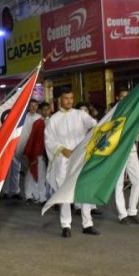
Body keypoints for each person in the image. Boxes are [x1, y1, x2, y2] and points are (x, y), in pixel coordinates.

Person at [44, 88, 98, 237]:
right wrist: (61, 149)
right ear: (60, 99)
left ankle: (87, 224)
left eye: (71, 98)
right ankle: (66, 225)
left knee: (85, 189)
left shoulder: (81, 115)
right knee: (65, 192)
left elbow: (94, 124)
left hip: (80, 158)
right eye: (66, 98)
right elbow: (48, 140)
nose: (69, 101)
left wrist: (99, 126)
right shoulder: (53, 119)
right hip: (63, 160)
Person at [113, 88, 139, 225]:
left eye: (127, 96)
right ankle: (122, 214)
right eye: (122, 96)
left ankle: (132, 210)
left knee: (138, 180)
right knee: (118, 183)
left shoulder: (133, 112)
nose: (125, 98)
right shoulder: (114, 112)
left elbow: (133, 132)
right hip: (118, 153)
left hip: (131, 151)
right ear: (118, 97)